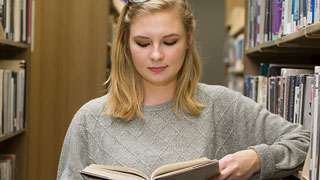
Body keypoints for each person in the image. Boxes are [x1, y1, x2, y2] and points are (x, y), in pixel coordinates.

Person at [57, 0, 310, 179]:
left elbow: (304, 141)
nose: (156, 55)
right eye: (143, 43)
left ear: (189, 39)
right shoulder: (89, 120)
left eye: (170, 41)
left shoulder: (221, 106)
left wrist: (256, 160)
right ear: (125, 42)